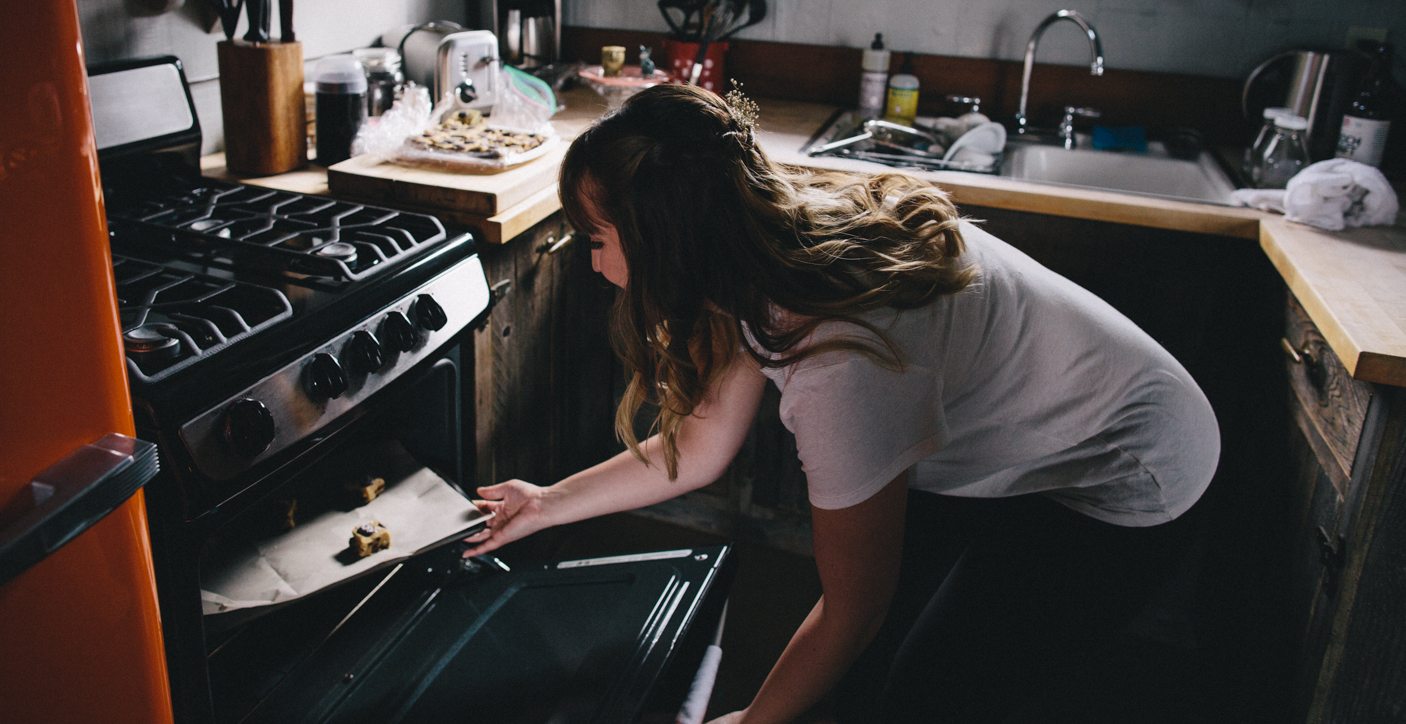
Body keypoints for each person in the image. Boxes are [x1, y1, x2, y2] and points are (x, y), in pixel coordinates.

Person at [463, 83, 1221, 723]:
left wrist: (752, 721)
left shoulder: (840, 363)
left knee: (936, 690)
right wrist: (547, 503)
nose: (594, 266)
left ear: (664, 242)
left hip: (1124, 466)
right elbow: (700, 447)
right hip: (1006, 430)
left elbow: (852, 609)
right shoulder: (748, 249)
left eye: (596, 241)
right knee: (863, 666)